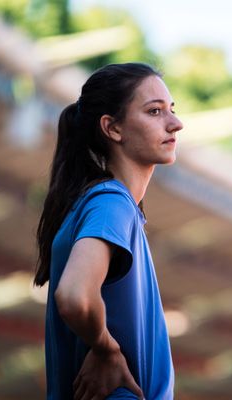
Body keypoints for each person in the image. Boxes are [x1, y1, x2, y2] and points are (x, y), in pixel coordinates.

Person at [34, 63, 184, 400]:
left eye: (172, 110)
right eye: (155, 111)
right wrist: (107, 350)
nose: (176, 123)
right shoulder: (111, 203)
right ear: (112, 128)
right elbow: (74, 296)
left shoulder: (97, 203)